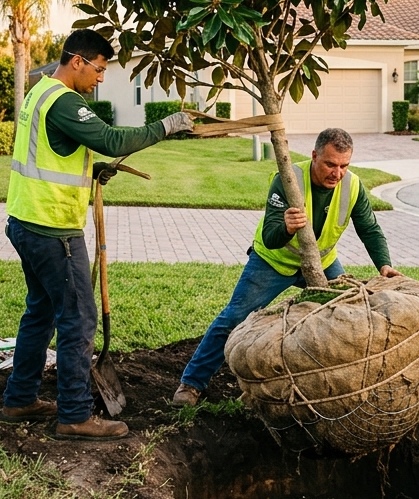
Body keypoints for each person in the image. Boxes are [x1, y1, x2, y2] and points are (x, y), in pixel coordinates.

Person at [0, 28, 194, 440]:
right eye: (99, 69)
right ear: (77, 61)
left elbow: (55, 151)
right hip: (53, 230)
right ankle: (74, 414)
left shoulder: (38, 92)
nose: (101, 78)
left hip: (26, 220)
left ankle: (19, 399)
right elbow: (108, 138)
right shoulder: (65, 101)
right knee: (78, 318)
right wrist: (167, 126)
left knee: (40, 313)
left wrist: (91, 171)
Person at [172, 127, 401, 406]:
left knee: (346, 317)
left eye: (343, 166)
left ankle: (342, 388)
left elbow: (370, 229)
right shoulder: (287, 179)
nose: (337, 173)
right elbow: (270, 236)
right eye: (330, 164)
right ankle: (191, 383)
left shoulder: (352, 186)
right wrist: (287, 228)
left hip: (320, 263)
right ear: (314, 155)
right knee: (233, 319)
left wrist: (384, 265)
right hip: (273, 261)